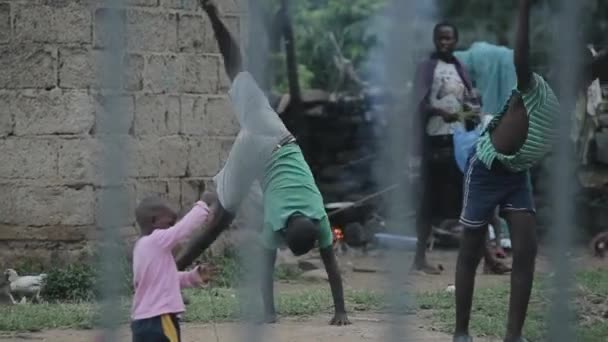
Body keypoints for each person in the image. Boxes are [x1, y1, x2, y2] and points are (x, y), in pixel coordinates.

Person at [175, 0, 350, 326]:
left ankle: (214, 16)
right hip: (257, 148)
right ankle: (170, 273)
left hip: (277, 133)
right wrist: (339, 310)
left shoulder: (317, 215)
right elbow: (319, 267)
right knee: (220, 220)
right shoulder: (280, 223)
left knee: (238, 71)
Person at [453, 1, 608, 341]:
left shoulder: (570, 108)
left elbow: (597, 65)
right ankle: (461, 331)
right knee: (470, 248)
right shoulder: (534, 87)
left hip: (516, 176)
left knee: (526, 249)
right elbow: (521, 56)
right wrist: (524, 8)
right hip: (486, 169)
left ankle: (513, 335)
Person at [413, 22, 509, 275]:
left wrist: (472, 110)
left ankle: (488, 259)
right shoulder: (427, 67)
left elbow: (468, 105)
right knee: (428, 203)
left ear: (456, 41)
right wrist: (438, 111)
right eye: (441, 38)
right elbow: (418, 104)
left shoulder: (459, 68)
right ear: (435, 40)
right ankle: (419, 260)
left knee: (473, 200)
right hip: (435, 144)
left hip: (459, 144)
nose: (445, 43)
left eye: (449, 39)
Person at [130, 197, 214, 342]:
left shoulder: (141, 247)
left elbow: (165, 279)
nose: (171, 229)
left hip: (141, 322)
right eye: (169, 224)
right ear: (154, 221)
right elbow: (183, 229)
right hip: (160, 319)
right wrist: (203, 204)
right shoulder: (156, 240)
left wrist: (193, 277)